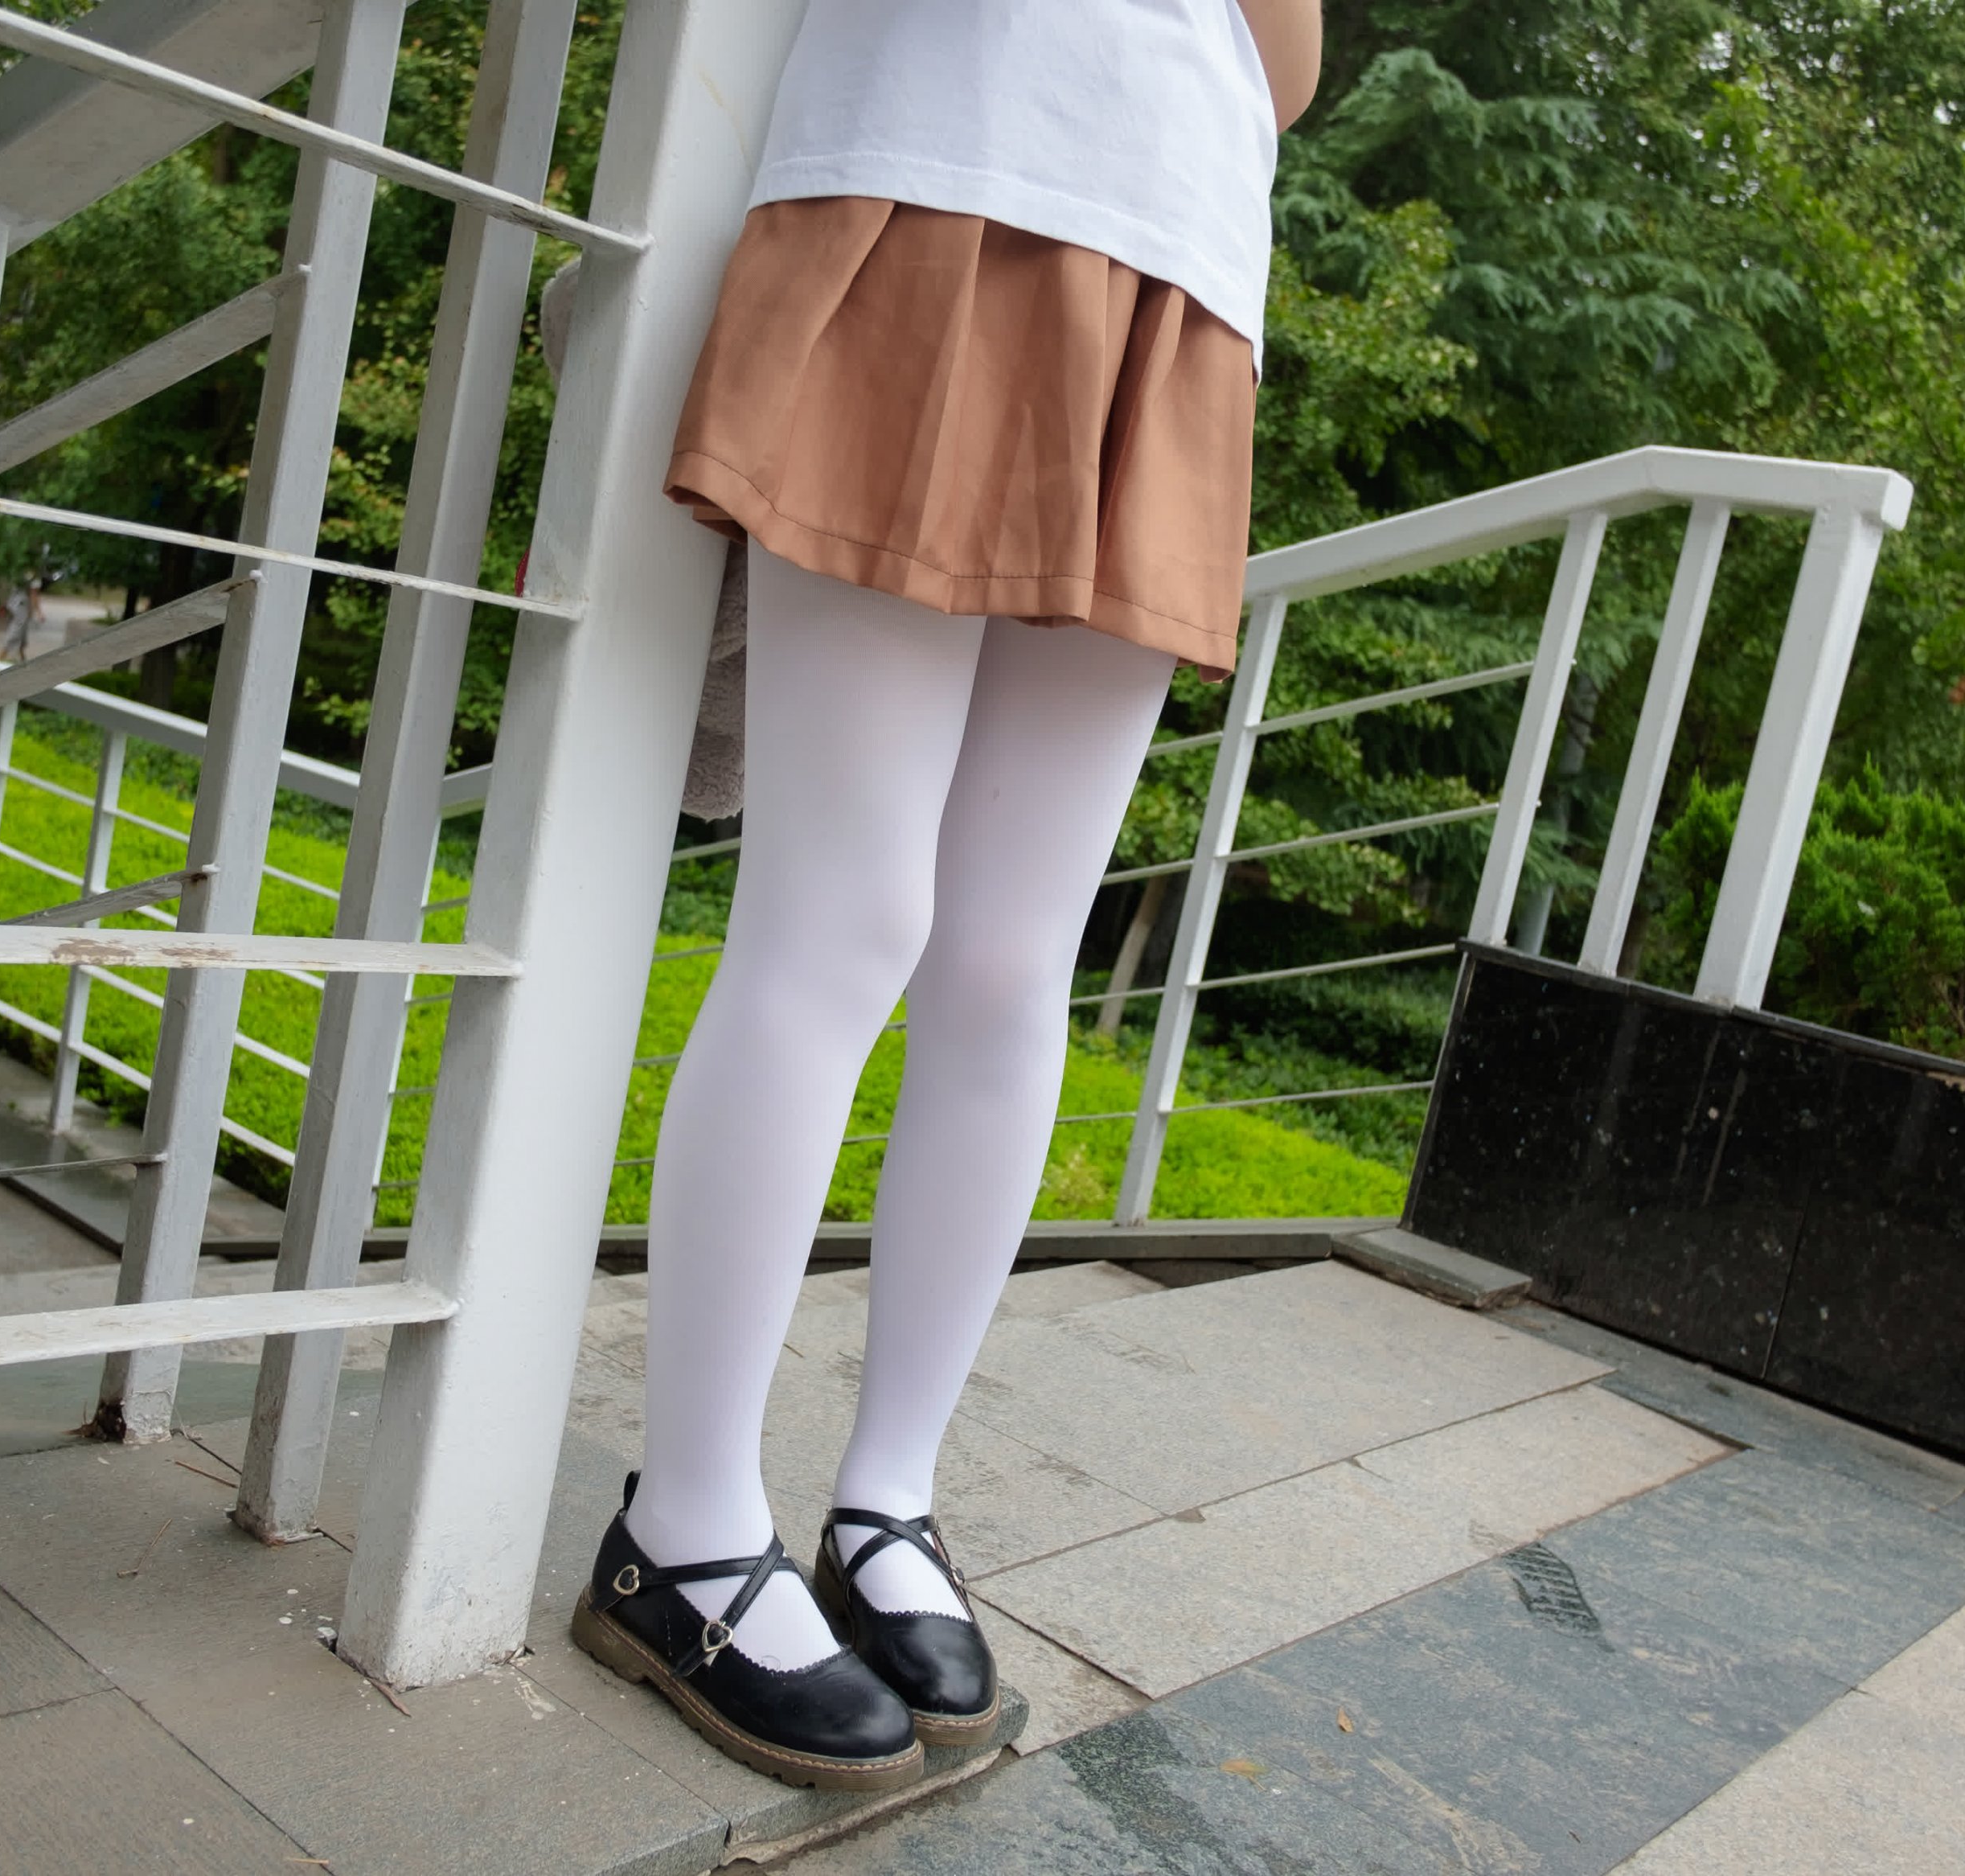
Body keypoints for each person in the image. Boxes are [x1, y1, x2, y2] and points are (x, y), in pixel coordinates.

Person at [570, 0, 1322, 1794]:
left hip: (1181, 257)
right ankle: (682, 1522)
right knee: (842, 916)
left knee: (1004, 960)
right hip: (943, 172)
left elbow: (1286, 66)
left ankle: (885, 1499)